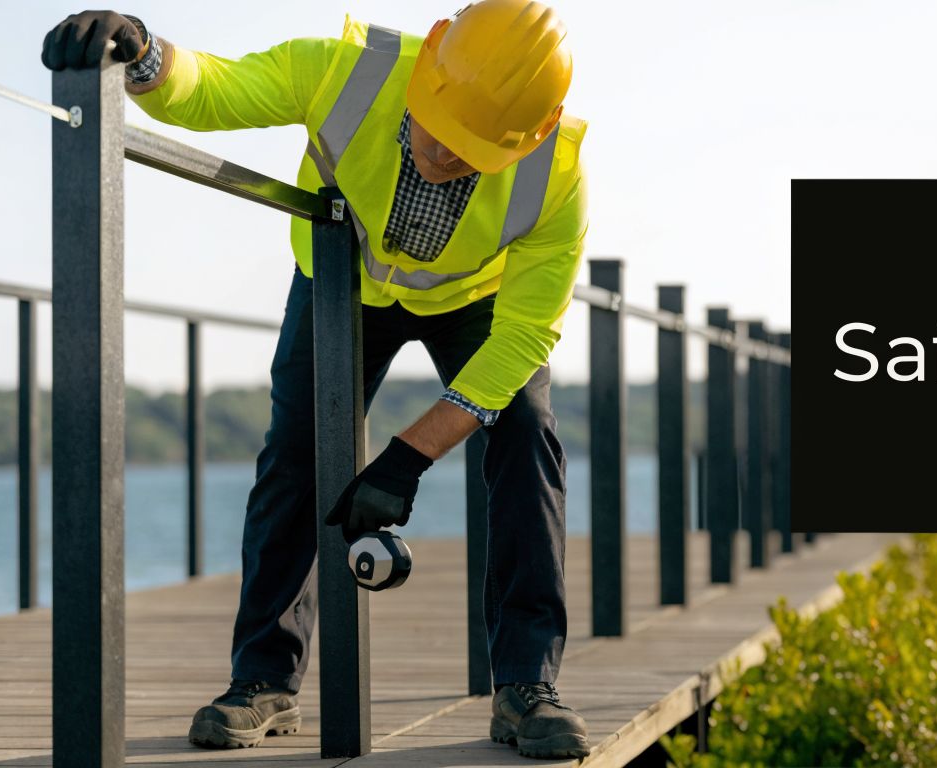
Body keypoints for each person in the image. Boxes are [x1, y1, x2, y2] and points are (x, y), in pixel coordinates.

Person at [42, 1, 590, 759]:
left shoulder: (556, 174)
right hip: (343, 279)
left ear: (529, 135)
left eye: (473, 150)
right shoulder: (346, 71)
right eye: (439, 127)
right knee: (295, 453)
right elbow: (211, 87)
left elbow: (526, 334)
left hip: (476, 302)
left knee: (528, 439)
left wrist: (409, 455)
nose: (442, 154)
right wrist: (139, 51)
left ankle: (526, 685)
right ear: (429, 60)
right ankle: (263, 680)